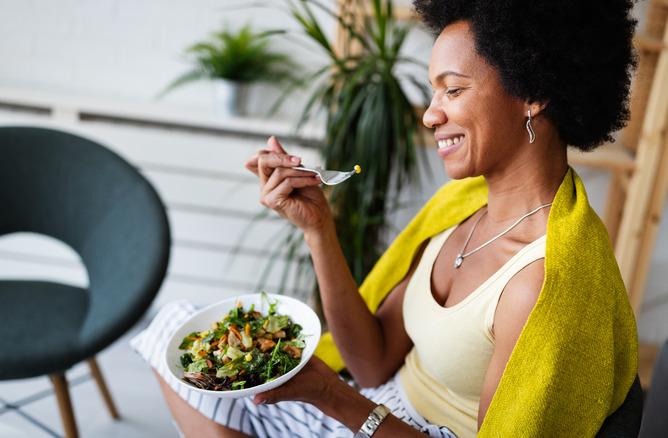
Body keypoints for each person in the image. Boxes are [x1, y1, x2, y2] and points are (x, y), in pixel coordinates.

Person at [131, 0, 639, 436]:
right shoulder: (461, 210)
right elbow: (371, 362)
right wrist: (318, 229)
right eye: (433, 91)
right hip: (368, 408)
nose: (430, 114)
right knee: (174, 327)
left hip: (380, 423)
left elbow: (357, 387)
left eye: (453, 90)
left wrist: (333, 396)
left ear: (533, 93)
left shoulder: (542, 283)